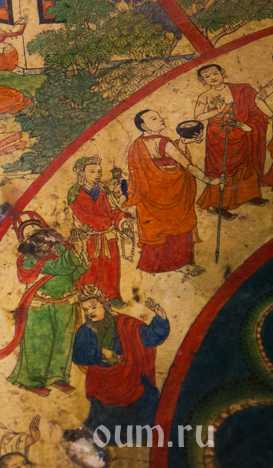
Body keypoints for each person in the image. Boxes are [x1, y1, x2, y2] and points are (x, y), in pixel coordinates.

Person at [124, 109, 218, 275]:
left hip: (150, 196)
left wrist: (185, 142)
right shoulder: (164, 142)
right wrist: (209, 180)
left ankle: (154, 265)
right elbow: (187, 165)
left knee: (157, 229)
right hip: (173, 192)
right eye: (155, 118)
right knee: (178, 226)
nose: (162, 119)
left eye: (159, 116)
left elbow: (166, 156)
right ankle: (182, 264)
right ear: (145, 126)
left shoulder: (137, 145)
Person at [3, 227, 87, 396]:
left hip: (65, 304)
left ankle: (57, 376)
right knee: (39, 345)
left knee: (63, 343)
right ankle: (31, 381)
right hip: (40, 307)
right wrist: (75, 253)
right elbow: (60, 267)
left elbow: (73, 274)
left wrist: (82, 261)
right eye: (50, 243)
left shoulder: (62, 252)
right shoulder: (30, 259)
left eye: (55, 243)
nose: (54, 246)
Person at [72, 288, 170, 431]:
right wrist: (101, 352)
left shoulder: (125, 325)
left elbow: (149, 338)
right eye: (86, 310)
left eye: (93, 307)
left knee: (151, 397)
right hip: (102, 387)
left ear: (104, 304)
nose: (89, 312)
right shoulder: (86, 331)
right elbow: (77, 354)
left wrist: (161, 319)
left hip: (128, 380)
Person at [194, 64, 271, 218]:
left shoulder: (240, 89)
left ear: (222, 73)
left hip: (240, 132)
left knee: (246, 163)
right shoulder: (205, 96)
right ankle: (217, 205)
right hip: (218, 135)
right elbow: (198, 116)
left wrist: (247, 125)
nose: (212, 78)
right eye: (207, 76)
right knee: (221, 169)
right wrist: (217, 111)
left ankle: (249, 195)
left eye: (215, 73)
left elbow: (255, 108)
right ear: (203, 80)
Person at [68, 155, 127, 303]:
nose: (97, 174)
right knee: (89, 268)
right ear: (82, 173)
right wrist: (105, 221)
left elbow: (113, 210)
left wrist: (122, 220)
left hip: (107, 237)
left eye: (99, 171)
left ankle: (112, 296)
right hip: (89, 237)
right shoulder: (75, 193)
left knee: (110, 268)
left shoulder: (103, 190)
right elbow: (83, 217)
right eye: (92, 171)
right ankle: (86, 295)